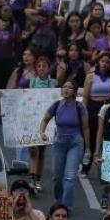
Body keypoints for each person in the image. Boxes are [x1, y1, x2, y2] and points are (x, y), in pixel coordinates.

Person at [40, 81, 89, 211]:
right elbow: (45, 119)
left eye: (70, 87)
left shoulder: (80, 107)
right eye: (65, 87)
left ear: (74, 91)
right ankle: (58, 200)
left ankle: (66, 207)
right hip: (59, 143)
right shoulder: (56, 105)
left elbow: (85, 128)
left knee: (70, 177)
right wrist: (42, 133)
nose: (66, 89)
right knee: (57, 176)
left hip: (75, 142)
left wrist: (88, 148)